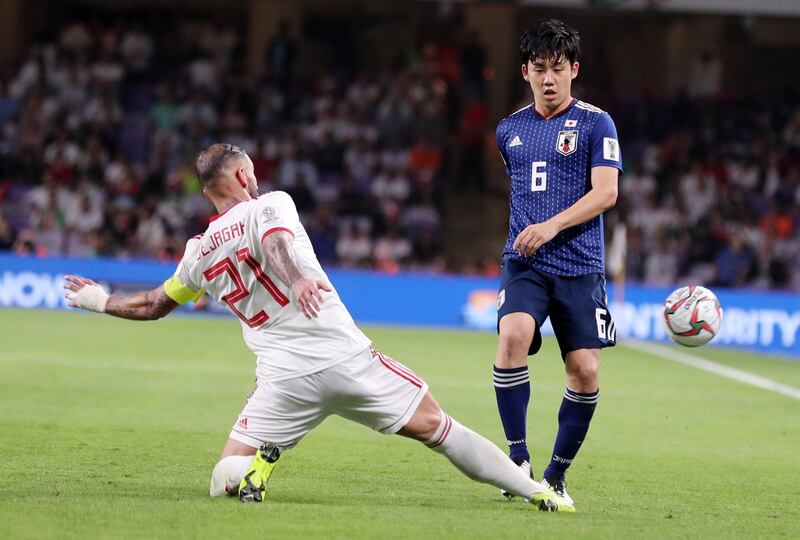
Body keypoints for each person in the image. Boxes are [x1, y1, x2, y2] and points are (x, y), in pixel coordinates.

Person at [64, 143, 574, 512]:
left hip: (282, 382)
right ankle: (536, 491)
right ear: (242, 176)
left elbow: (155, 304)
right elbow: (279, 243)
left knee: (223, 478)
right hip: (343, 358)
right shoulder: (270, 204)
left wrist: (97, 299)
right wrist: (299, 281)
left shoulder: (198, 254)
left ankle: (259, 469)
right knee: (439, 429)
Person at [492, 20, 622, 508]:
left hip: (580, 265)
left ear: (574, 71)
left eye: (559, 69)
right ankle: (517, 460)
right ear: (525, 72)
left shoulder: (596, 123)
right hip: (525, 262)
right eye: (540, 69)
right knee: (512, 338)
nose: (549, 79)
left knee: (584, 372)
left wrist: (552, 225)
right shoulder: (509, 130)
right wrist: (534, 232)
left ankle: (556, 474)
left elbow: (606, 192)